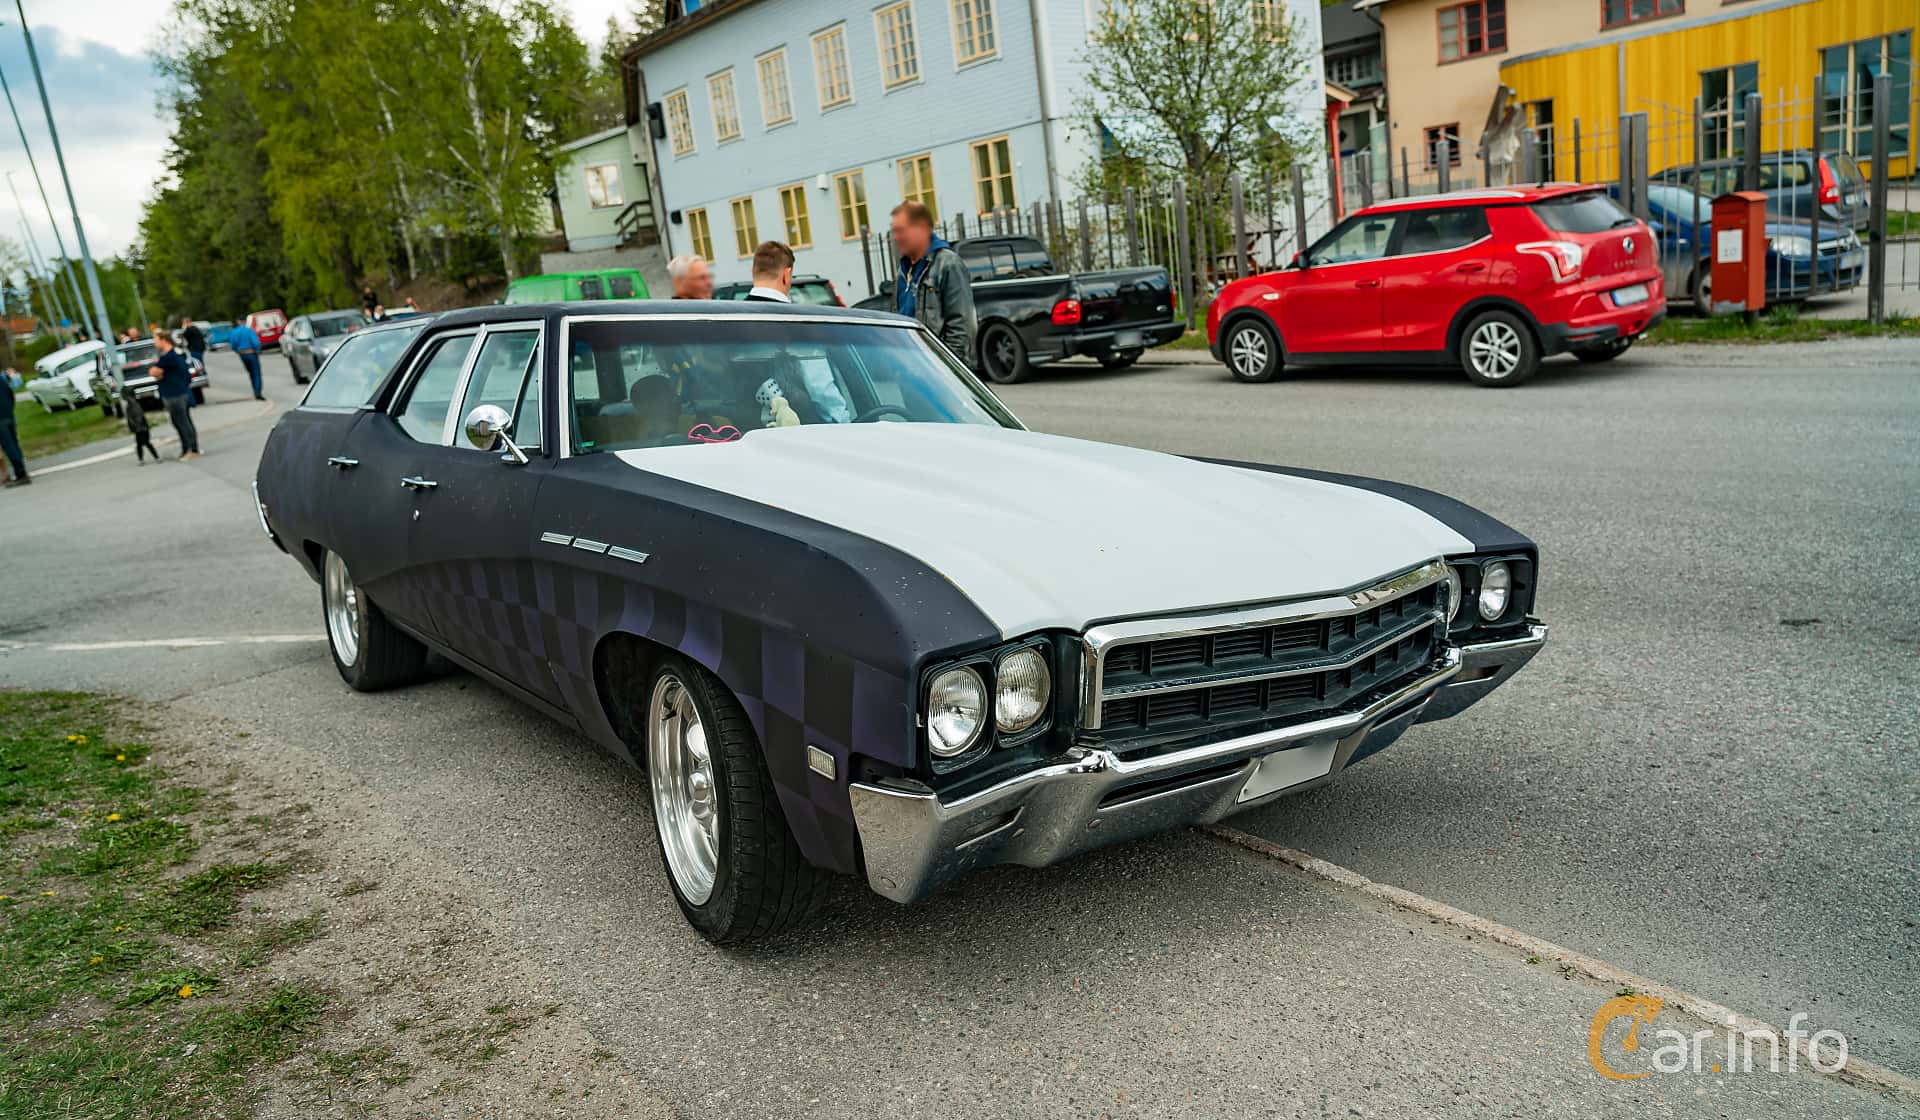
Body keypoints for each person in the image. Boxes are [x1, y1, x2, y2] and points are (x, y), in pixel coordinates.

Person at [891, 200, 976, 364]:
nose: (896, 237)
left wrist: (949, 368)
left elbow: (961, 325)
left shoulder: (948, 264)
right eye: (895, 231)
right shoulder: (903, 270)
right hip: (908, 367)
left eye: (901, 231)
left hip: (936, 371)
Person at [150, 332, 200, 459]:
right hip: (173, 393)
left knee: (183, 422)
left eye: (156, 340)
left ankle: (192, 449)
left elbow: (154, 371)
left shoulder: (169, 357)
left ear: (164, 340)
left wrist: (158, 373)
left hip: (176, 394)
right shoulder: (169, 356)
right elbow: (156, 372)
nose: (154, 343)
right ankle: (186, 448)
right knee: (178, 422)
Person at [0, 364, 29, 486]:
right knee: (14, 444)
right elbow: (10, 393)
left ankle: (20, 473)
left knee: (9, 447)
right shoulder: (1, 379)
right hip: (8, 414)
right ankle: (22, 469)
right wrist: (10, 410)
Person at [228, 318, 265, 400]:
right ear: (243, 322)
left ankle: (255, 390)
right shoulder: (248, 330)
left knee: (251, 373)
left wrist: (238, 351)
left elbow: (233, 345)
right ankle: (257, 392)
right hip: (251, 353)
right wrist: (258, 350)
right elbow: (256, 342)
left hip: (242, 354)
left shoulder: (234, 332)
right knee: (256, 373)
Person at [123, 385, 158, 463]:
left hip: (140, 428)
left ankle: (155, 457)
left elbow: (138, 415)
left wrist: (137, 426)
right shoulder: (131, 403)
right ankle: (143, 459)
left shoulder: (132, 404)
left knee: (145, 443)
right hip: (140, 427)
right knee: (140, 444)